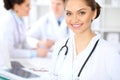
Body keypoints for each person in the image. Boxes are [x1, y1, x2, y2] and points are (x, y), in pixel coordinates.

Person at [50, 0, 120, 80]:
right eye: (69, 13)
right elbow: (51, 76)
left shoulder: (109, 52)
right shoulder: (60, 45)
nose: (74, 19)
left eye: (81, 13)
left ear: (94, 13)